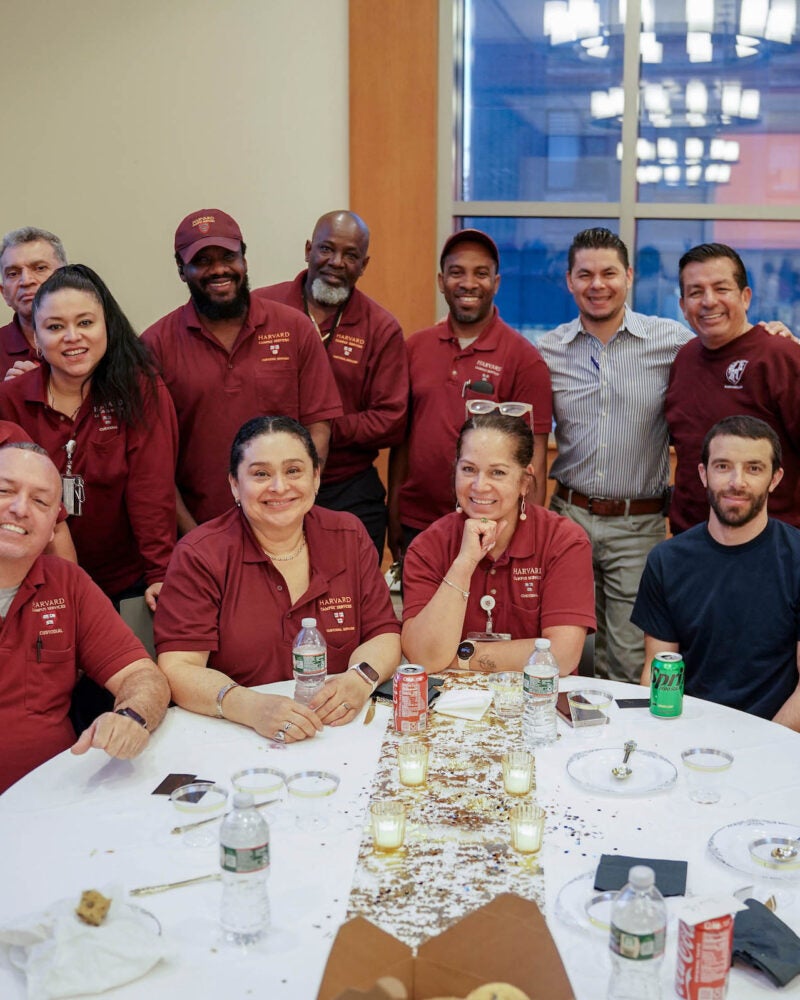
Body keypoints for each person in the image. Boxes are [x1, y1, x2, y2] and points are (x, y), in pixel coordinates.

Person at [154, 416, 401, 743]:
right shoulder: (200, 554)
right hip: (234, 734)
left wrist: (360, 679)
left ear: (316, 477)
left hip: (338, 732)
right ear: (234, 484)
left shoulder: (348, 535)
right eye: (260, 474)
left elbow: (384, 632)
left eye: (293, 471)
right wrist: (251, 707)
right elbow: (178, 667)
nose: (279, 487)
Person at [539, 228, 692, 684]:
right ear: (569, 280)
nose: (597, 284)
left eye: (609, 272)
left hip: (638, 525)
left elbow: (728, 351)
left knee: (628, 657)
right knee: (564, 651)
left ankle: (618, 754)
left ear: (628, 277)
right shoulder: (548, 351)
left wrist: (774, 332)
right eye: (585, 274)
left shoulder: (671, 343)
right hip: (567, 518)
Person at [142, 209, 343, 535]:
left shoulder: (295, 329)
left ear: (244, 259)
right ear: (181, 269)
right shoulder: (154, 346)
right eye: (202, 261)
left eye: (228, 257)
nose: (219, 269)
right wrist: (195, 537)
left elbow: (318, 427)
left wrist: (294, 502)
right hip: (199, 530)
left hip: (287, 524)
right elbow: (153, 463)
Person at [0, 265, 178, 610]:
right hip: (35, 582)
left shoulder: (140, 391)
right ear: (35, 338)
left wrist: (161, 571)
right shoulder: (10, 401)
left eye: (85, 323)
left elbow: (151, 490)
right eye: (55, 327)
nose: (72, 336)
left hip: (130, 579)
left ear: (106, 327)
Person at [0, 443, 170, 793]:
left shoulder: (66, 584)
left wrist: (131, 717)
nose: (19, 509)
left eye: (41, 502)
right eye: (5, 491)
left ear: (53, 528)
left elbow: (142, 675)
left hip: (54, 798)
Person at [388, 229, 552, 559]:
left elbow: (534, 457)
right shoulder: (414, 348)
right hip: (419, 524)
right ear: (441, 280)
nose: (468, 283)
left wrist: (526, 533)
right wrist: (394, 511)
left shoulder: (523, 359)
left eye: (481, 274)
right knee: (421, 612)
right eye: (457, 272)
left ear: (497, 282)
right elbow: (403, 441)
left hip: (492, 529)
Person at [256, 210, 408, 558]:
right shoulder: (263, 308)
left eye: (351, 255)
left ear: (364, 264)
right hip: (267, 486)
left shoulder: (381, 328)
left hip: (347, 488)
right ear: (309, 249)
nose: (336, 262)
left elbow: (391, 419)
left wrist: (321, 426)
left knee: (348, 601)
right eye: (327, 249)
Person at [632, 416, 800, 729]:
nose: (737, 481)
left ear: (775, 479)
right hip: (688, 734)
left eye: (754, 468)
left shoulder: (796, 558)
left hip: (775, 739)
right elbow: (658, 674)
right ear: (703, 474)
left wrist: (765, 747)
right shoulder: (667, 560)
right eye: (723, 466)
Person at [401, 411, 595, 674]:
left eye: (498, 473)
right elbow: (422, 656)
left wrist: (462, 655)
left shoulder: (564, 541)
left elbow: (561, 655)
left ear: (525, 481)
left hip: (537, 701)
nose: (480, 486)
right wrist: (464, 563)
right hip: (452, 703)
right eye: (468, 469)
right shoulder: (428, 545)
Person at [666, 242, 800, 535]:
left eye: (721, 289)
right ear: (682, 305)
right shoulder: (684, 359)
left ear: (745, 297)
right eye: (695, 292)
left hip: (771, 550)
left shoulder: (780, 356)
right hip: (691, 544)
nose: (708, 301)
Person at [0, 227, 66, 380]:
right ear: (4, 293)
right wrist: (10, 394)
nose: (26, 281)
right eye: (13, 273)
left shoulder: (99, 341)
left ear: (67, 277)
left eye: (39, 268)